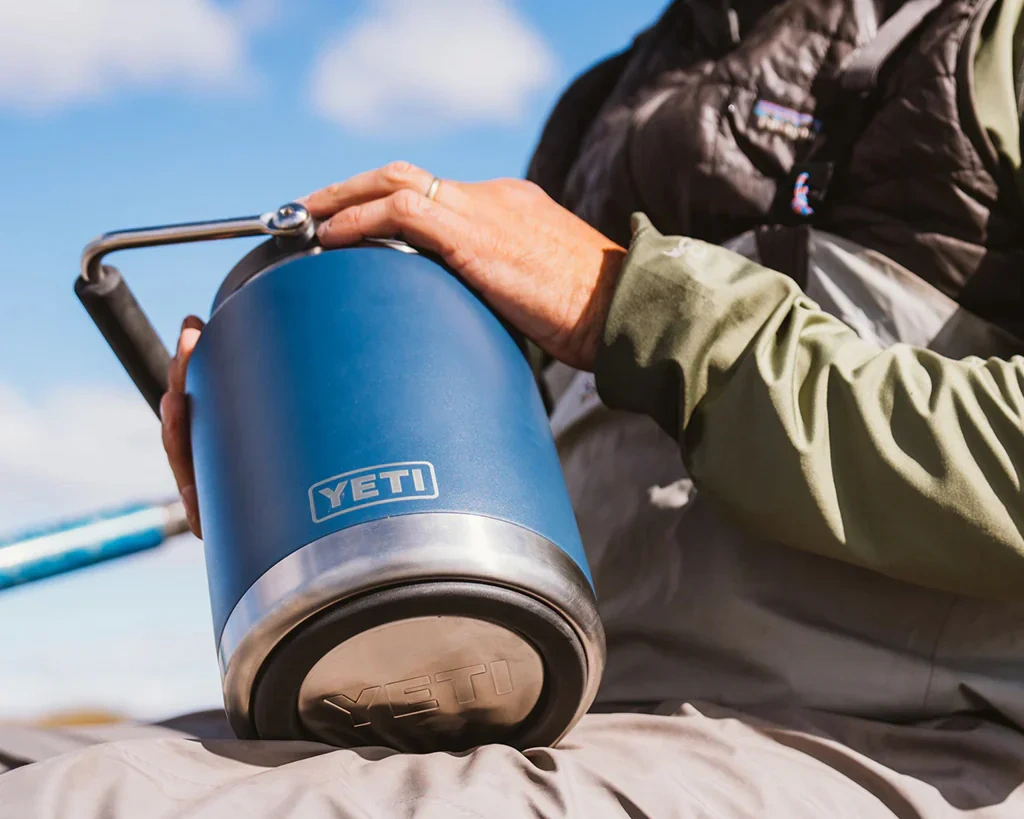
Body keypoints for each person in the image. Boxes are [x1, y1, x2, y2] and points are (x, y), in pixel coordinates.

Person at [5, 0, 1024, 816]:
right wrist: (269, 462)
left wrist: (626, 301)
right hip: (563, 700)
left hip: (909, 739)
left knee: (70, 804)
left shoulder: (993, 45)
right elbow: (523, 477)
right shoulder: (605, 102)